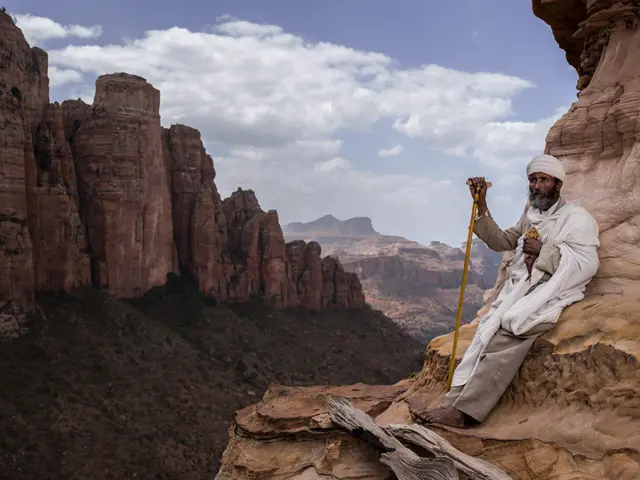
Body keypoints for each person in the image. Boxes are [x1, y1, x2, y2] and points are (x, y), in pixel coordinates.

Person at [415, 154, 600, 428]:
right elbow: (502, 241)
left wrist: (545, 252)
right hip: (518, 291)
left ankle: (465, 412)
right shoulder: (531, 217)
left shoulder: (576, 218)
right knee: (484, 332)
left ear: (557, 185)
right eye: (533, 180)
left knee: (508, 333)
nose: (537, 186)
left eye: (543, 180)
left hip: (548, 292)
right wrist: (481, 205)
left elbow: (586, 264)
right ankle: (453, 400)